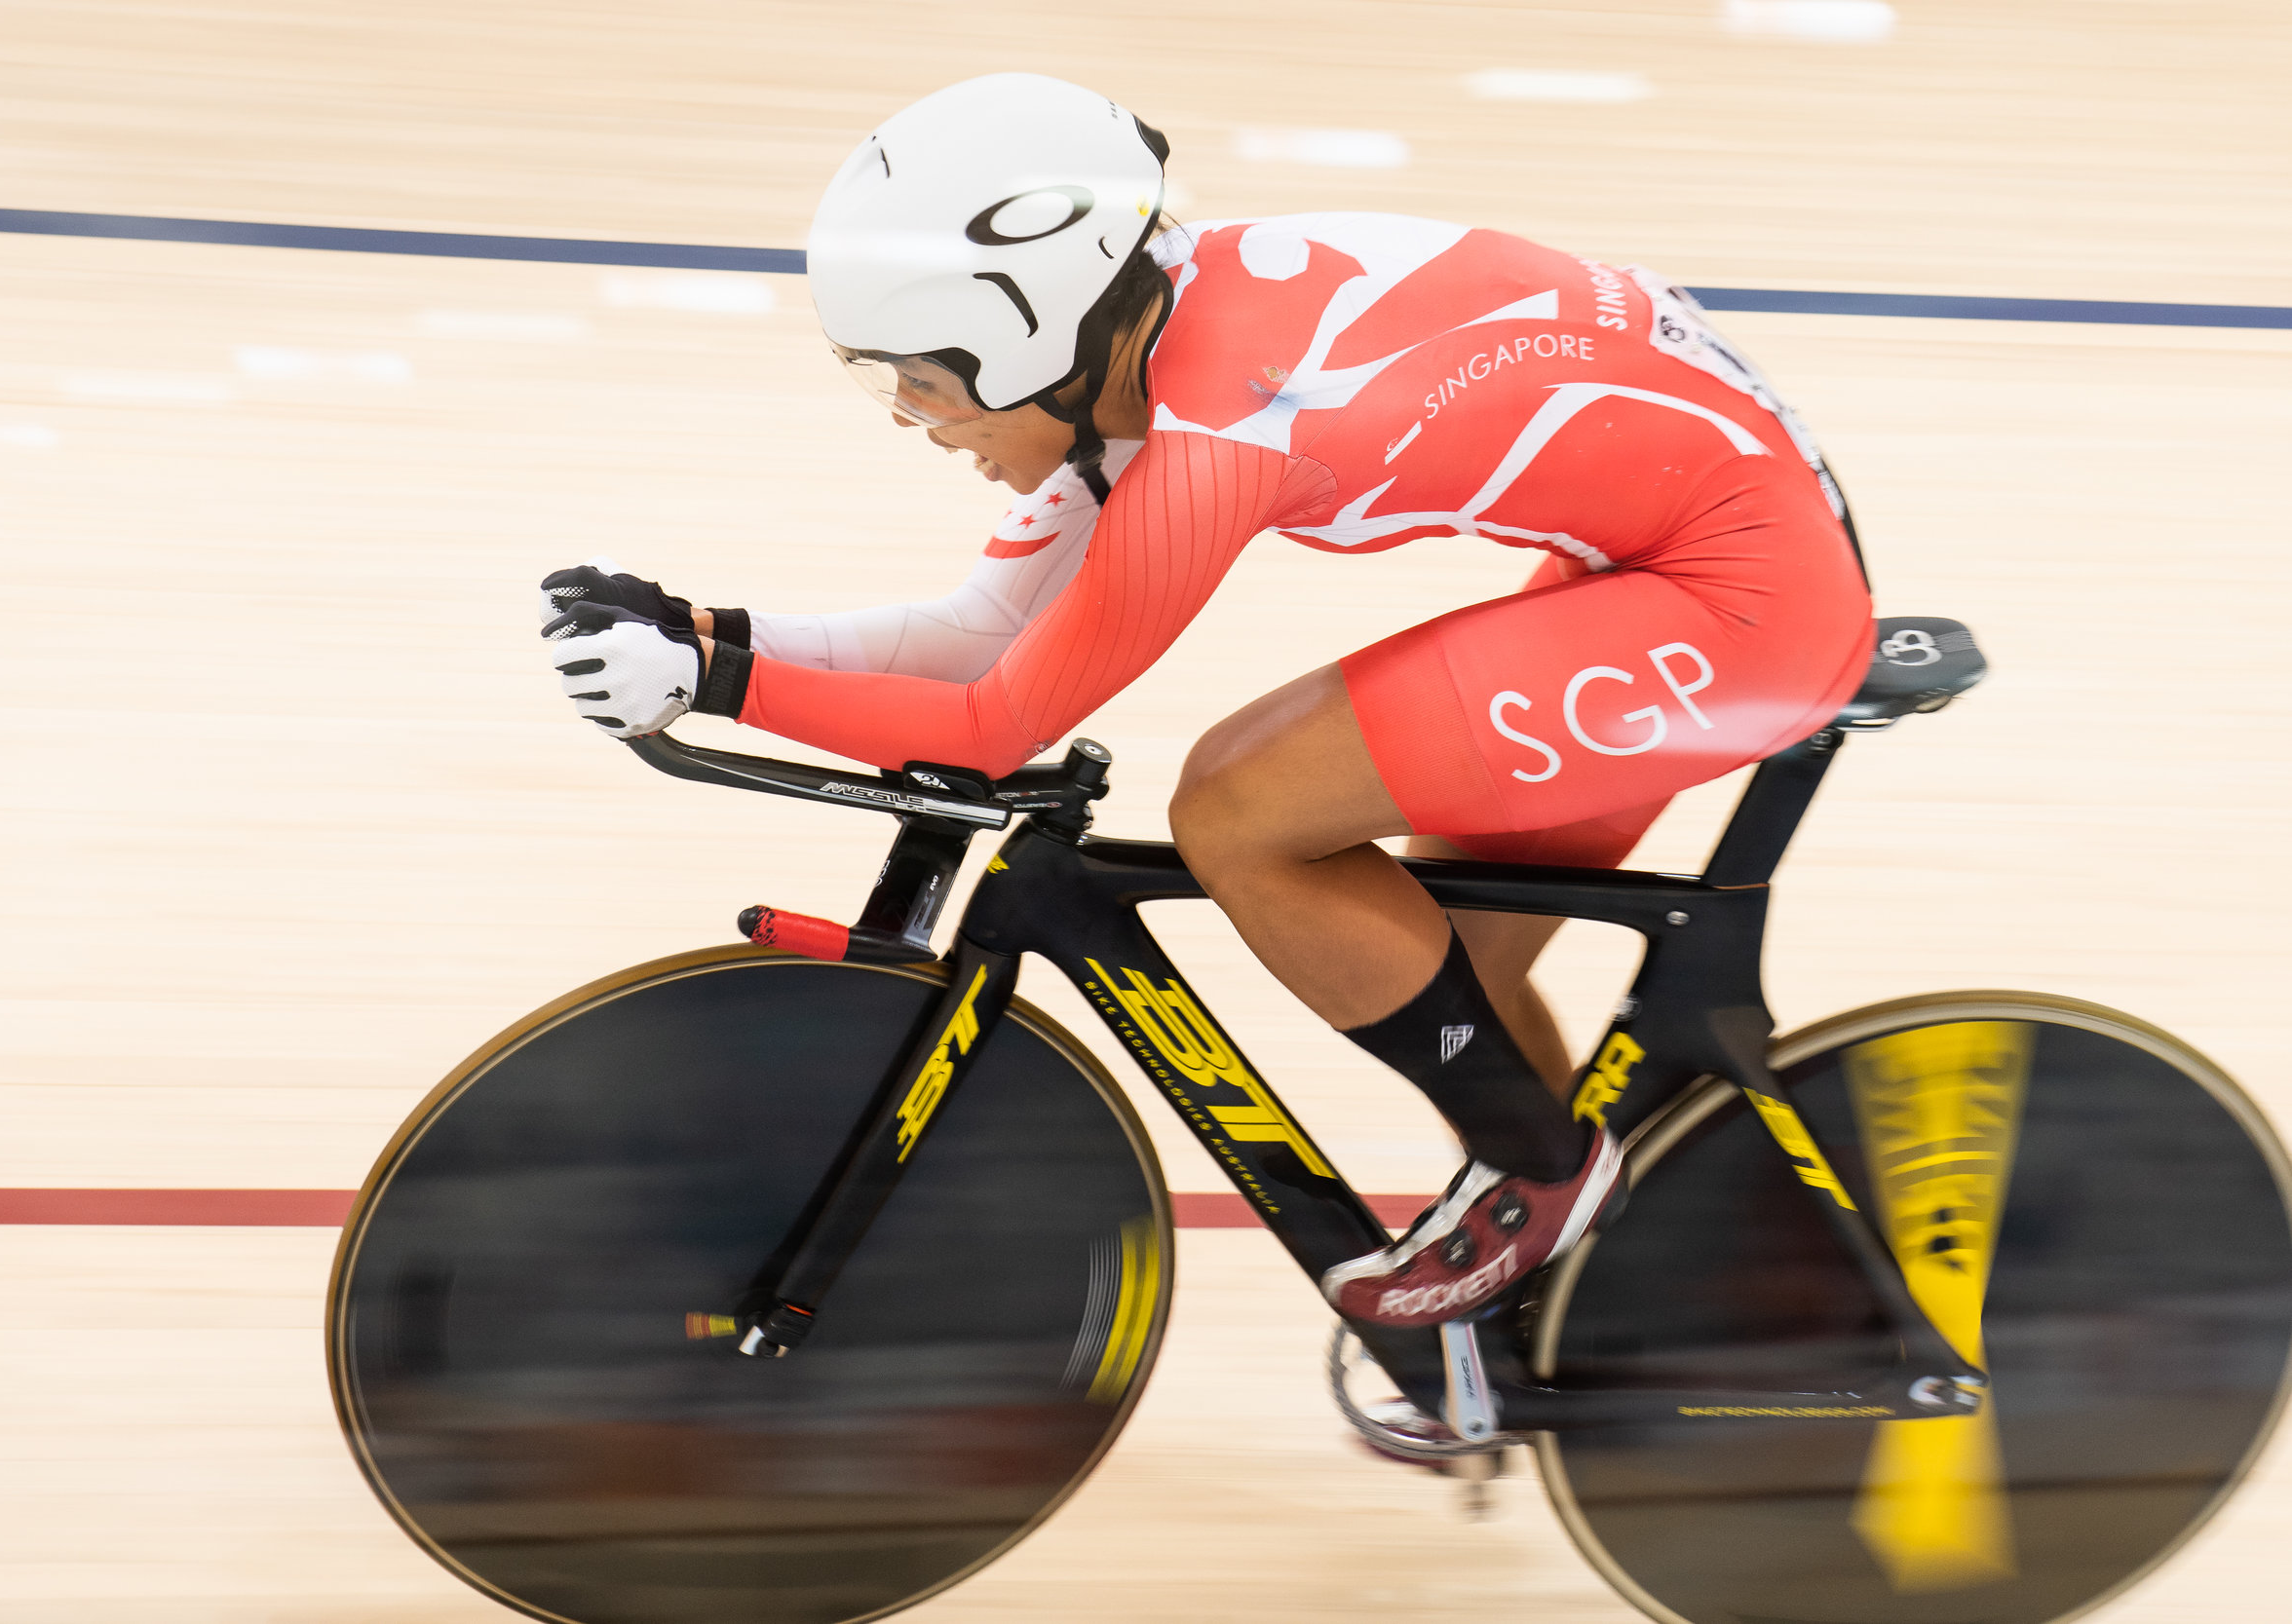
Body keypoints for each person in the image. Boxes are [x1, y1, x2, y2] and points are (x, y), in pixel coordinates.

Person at [539, 73, 1873, 1335]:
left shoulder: (1220, 440)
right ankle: (1573, 1294)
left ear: (1031, 345)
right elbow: (975, 636)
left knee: (1240, 809)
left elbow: (996, 728)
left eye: (921, 379)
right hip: (1685, 548)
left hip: (1747, 610)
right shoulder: (1147, 338)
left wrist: (720, 686)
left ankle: (1545, 1181)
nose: (905, 416)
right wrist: (710, 634)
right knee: (1448, 963)